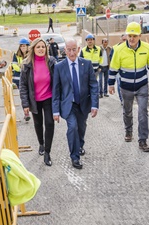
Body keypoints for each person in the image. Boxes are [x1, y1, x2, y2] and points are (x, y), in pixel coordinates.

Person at [108, 22, 149, 152]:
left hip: (142, 86)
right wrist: (110, 84)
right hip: (126, 87)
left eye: (134, 36)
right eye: (129, 35)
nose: (131, 39)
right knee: (128, 111)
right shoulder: (119, 50)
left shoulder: (147, 48)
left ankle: (143, 140)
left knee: (143, 112)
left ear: (140, 36)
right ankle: (128, 131)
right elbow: (113, 68)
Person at [52, 39, 99, 169]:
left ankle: (80, 145)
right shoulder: (59, 67)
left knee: (81, 127)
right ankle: (75, 156)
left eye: (74, 49)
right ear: (64, 50)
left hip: (83, 103)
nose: (71, 53)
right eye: (69, 50)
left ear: (78, 50)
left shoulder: (86, 64)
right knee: (72, 127)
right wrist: (55, 111)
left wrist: (94, 105)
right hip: (69, 105)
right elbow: (56, 90)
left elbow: (93, 86)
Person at [19, 38, 57, 166]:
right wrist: (25, 104)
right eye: (38, 47)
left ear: (46, 49)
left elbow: (58, 81)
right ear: (33, 49)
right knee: (38, 124)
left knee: (50, 123)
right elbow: (23, 86)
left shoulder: (51, 62)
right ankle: (41, 143)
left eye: (43, 47)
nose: (41, 49)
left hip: (48, 98)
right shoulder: (26, 64)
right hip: (34, 100)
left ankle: (47, 152)